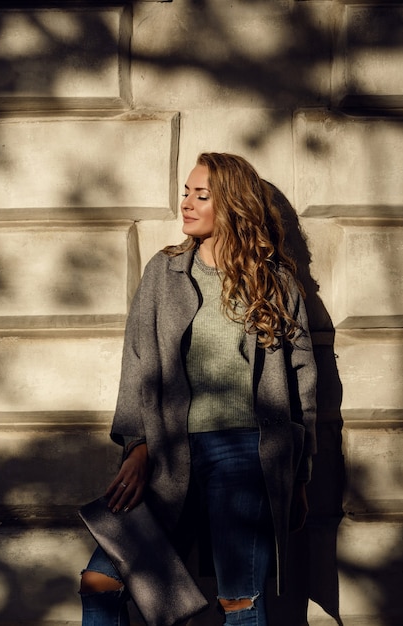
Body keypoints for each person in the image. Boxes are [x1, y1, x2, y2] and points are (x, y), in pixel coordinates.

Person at [79, 152, 317, 626]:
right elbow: (137, 363)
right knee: (102, 579)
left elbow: (302, 382)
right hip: (169, 452)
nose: (185, 203)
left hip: (246, 454)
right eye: (186, 191)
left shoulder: (275, 284)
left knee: (240, 600)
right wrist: (138, 444)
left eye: (200, 195)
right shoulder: (163, 273)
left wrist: (300, 469)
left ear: (232, 205)